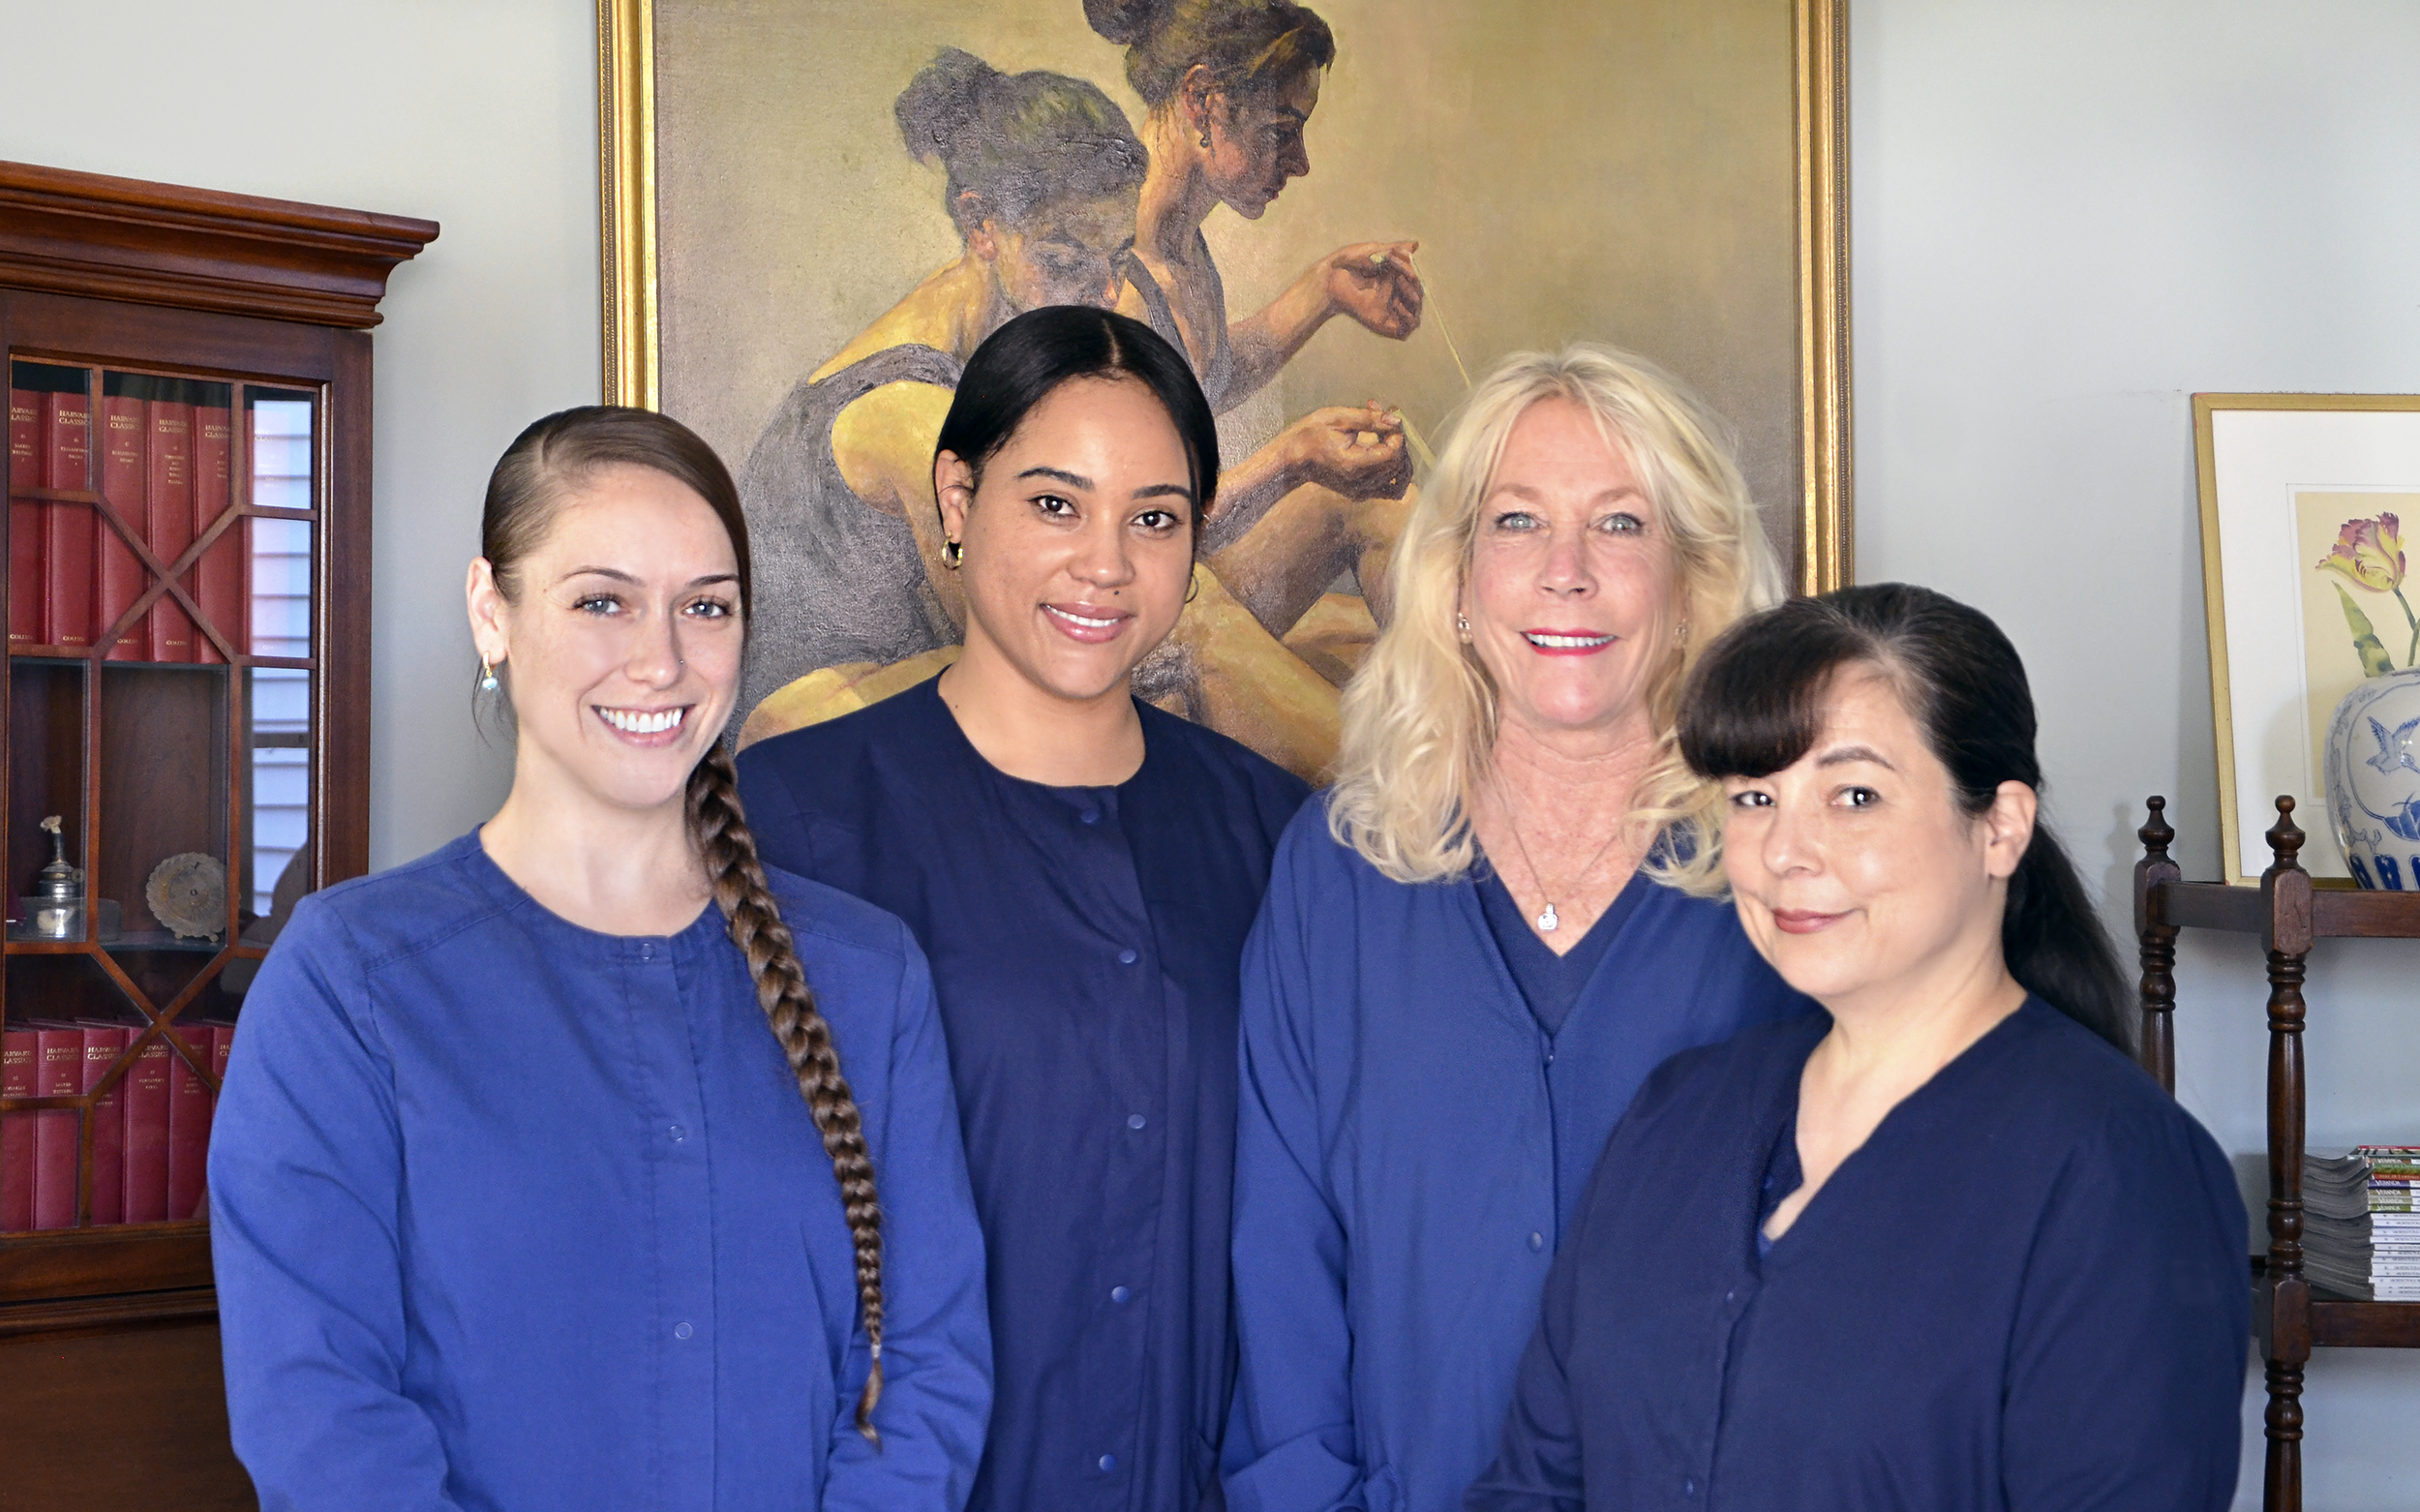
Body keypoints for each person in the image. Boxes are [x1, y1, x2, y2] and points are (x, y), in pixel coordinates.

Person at [210, 408, 992, 1510]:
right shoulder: (350, 982)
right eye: (601, 600)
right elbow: (320, 1412)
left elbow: (927, 1367)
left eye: (705, 607)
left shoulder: (871, 976)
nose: (661, 659)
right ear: (493, 612)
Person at [1466, 585, 2249, 1511]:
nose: (1786, 851)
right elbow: (1533, 1485)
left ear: (2000, 826)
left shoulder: (2121, 1173)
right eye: (1756, 796)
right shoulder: (1675, 1116)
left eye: (1855, 795)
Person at [738, 307, 1312, 1512]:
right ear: (956, 497)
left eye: (1153, 518)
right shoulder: (793, 816)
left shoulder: (1271, 834)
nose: (1104, 563)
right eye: (1055, 503)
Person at [1223, 346, 1812, 1512]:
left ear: (1693, 581)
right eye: (1517, 522)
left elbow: (1858, 1278)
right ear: (1451, 579)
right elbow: (1282, 1265)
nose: (1566, 574)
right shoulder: (1337, 872)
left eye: (1621, 525)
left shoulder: (1788, 878)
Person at [737, 47, 1399, 776]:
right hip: (829, 732)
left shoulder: (1003, 334)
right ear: (982, 226)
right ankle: (1419, 830)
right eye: (1065, 260)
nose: (1101, 292)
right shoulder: (911, 413)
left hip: (972, 664)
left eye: (1116, 259)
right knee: (1200, 623)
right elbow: (1016, 662)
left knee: (1296, 578)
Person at [1088, 0, 1423, 660]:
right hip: (1119, 624)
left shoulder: (1177, 245)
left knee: (1384, 513)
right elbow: (1129, 522)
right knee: (1370, 511)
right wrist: (1294, 456)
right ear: (1204, 100)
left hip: (1170, 582)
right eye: (1282, 130)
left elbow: (1199, 376)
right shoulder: (1107, 273)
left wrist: (1324, 290)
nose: (1299, 163)